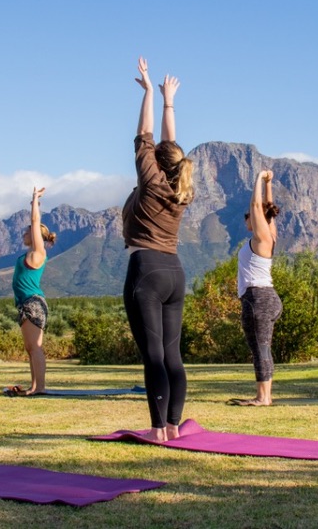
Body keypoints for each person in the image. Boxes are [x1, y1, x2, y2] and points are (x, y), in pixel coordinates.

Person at [121, 56, 194, 441]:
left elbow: (145, 136)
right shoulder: (180, 190)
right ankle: (173, 426)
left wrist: (149, 92)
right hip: (175, 273)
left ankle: (157, 430)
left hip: (146, 270)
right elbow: (167, 146)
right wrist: (169, 102)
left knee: (153, 355)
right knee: (172, 354)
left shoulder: (150, 182)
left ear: (156, 165)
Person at [232, 169, 282, 406]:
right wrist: (269, 185)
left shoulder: (261, 237)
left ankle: (263, 397)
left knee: (260, 349)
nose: (246, 219)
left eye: (249, 217)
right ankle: (265, 395)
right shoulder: (269, 235)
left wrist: (259, 179)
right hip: (266, 298)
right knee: (263, 348)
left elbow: (256, 206)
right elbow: (268, 210)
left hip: (258, 299)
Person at [6, 186, 56, 396]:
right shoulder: (30, 253)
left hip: (32, 303)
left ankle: (40, 387)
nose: (24, 234)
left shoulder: (38, 252)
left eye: (27, 232)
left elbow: (35, 222)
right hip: (26, 303)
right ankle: (34, 386)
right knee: (30, 348)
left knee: (35, 347)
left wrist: (34, 200)